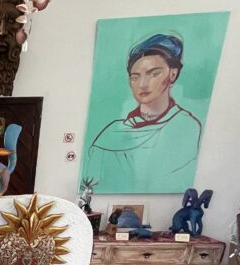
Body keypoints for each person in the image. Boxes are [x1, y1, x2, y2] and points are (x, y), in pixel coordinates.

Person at [84, 33, 202, 193]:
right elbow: (89, 183)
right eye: (135, 77)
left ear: (173, 74)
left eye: (154, 74)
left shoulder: (185, 126)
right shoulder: (111, 132)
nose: (143, 84)